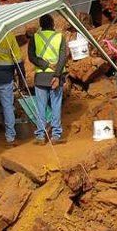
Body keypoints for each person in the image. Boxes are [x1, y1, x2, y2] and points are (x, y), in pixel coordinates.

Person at [28, 14, 67, 144]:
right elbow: (62, 58)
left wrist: (45, 65)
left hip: (40, 77)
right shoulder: (59, 37)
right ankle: (56, 135)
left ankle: (40, 136)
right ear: (52, 24)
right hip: (56, 77)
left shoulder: (34, 38)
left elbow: (32, 57)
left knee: (41, 106)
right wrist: (56, 76)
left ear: (41, 25)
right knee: (56, 105)